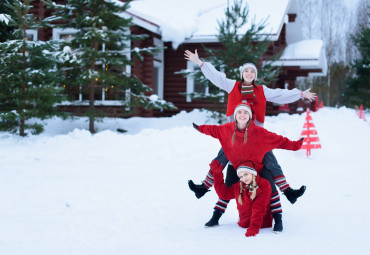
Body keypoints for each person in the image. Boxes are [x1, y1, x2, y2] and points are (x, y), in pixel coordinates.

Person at [185, 49, 314, 227]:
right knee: (220, 159)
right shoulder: (232, 85)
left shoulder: (262, 90)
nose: (249, 73)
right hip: (234, 136)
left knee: (272, 163)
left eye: (252, 71)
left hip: (256, 138)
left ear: (255, 75)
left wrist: (300, 94)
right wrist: (201, 63)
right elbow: (216, 77)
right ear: (242, 73)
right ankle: (203, 187)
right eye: (246, 70)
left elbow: (280, 94)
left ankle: (288, 192)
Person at [193, 103, 303, 232]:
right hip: (236, 168)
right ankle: (215, 217)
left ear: (250, 116)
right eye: (239, 112)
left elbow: (279, 140)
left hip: (256, 170)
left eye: (245, 113)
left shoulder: (259, 132)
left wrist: (296, 145)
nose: (242, 115)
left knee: (271, 189)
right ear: (235, 115)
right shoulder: (226, 129)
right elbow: (213, 130)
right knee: (226, 191)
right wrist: (200, 128)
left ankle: (278, 221)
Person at [210, 160, 272, 237]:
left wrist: (254, 227)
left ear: (252, 173)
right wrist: (217, 175)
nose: (244, 178)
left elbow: (259, 208)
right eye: (241, 176)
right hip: (242, 225)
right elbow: (224, 195)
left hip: (262, 225)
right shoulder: (239, 186)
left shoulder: (264, 184)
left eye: (246, 174)